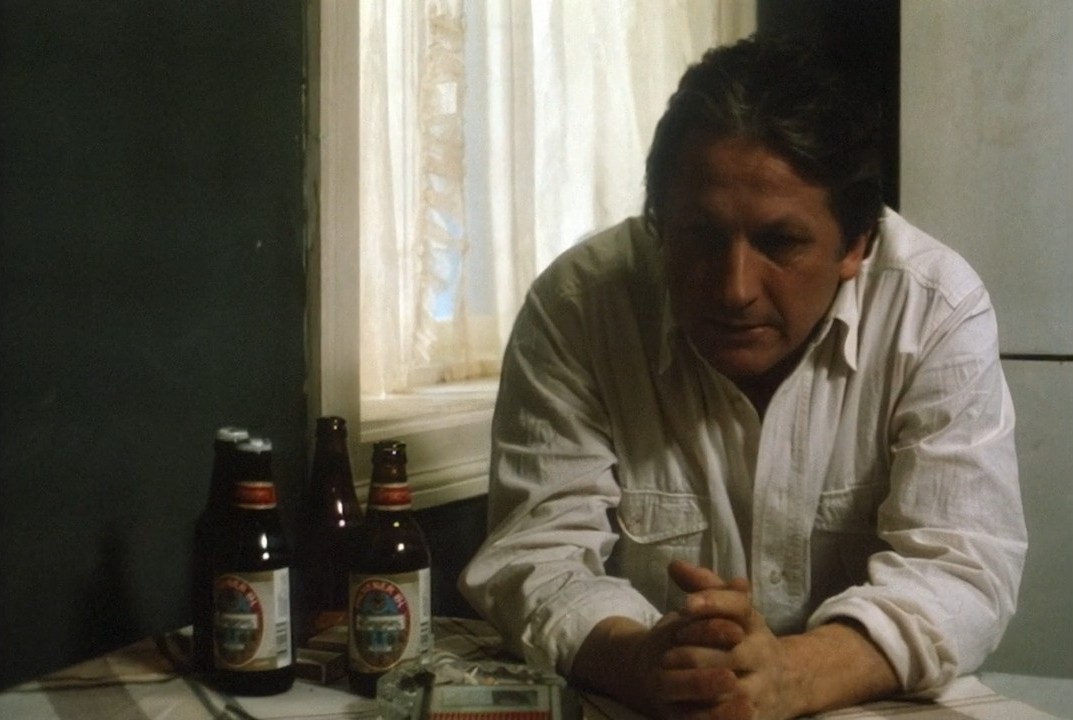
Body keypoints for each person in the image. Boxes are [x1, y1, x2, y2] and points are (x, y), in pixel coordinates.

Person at [458, 35, 1026, 720]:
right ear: (658, 224)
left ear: (856, 245)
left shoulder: (933, 308)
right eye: (699, 236)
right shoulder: (579, 306)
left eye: (779, 243)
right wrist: (642, 662)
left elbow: (960, 565)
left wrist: (792, 675)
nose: (734, 289)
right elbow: (538, 554)